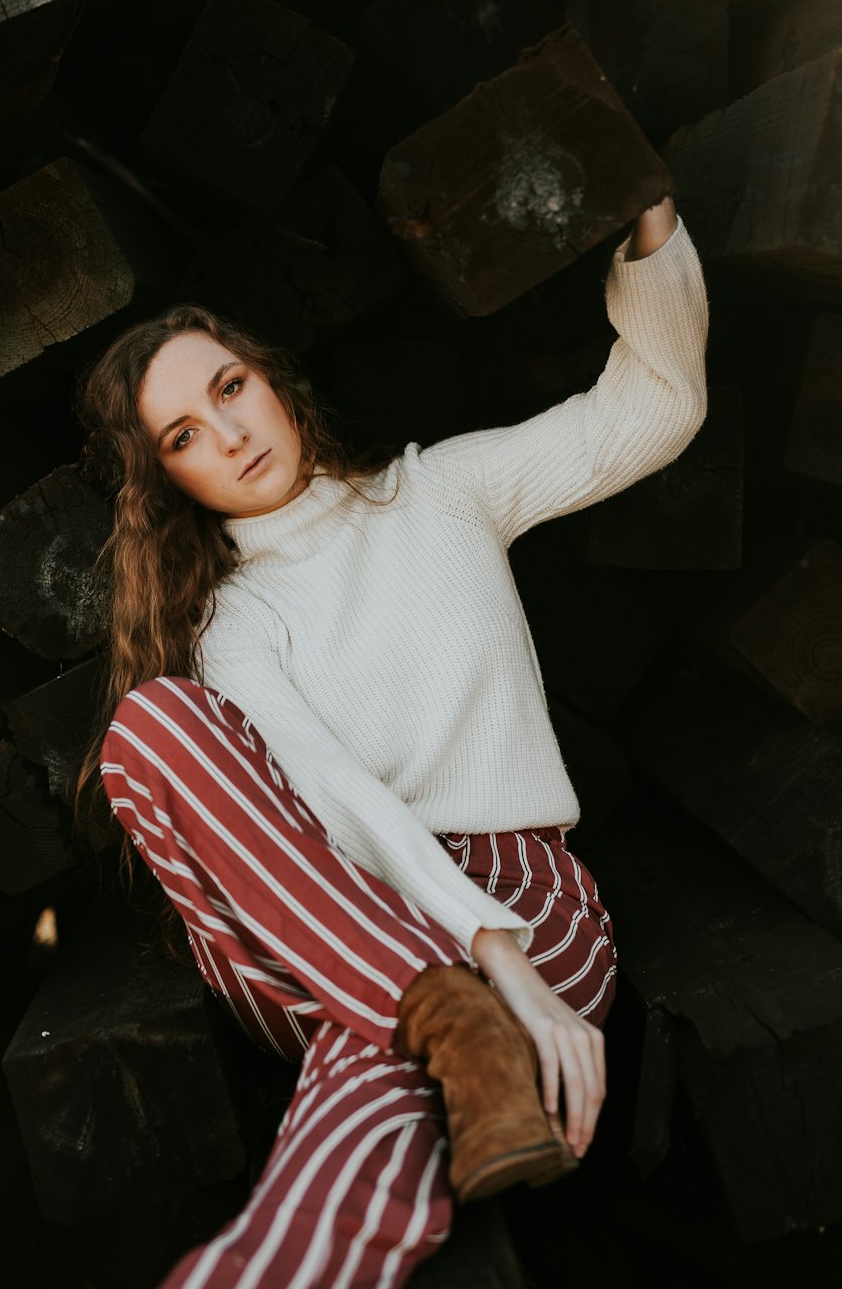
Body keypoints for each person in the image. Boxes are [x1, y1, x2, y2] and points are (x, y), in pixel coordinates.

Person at [74, 193, 709, 1288]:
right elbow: (328, 794)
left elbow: (652, 407)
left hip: (519, 892)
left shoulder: (441, 494)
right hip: (315, 923)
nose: (227, 433)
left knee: (372, 1083)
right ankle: (444, 1011)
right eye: (184, 434)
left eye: (229, 388)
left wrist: (648, 221)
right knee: (155, 722)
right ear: (166, 477)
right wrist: (476, 957)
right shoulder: (233, 622)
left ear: (269, 379)